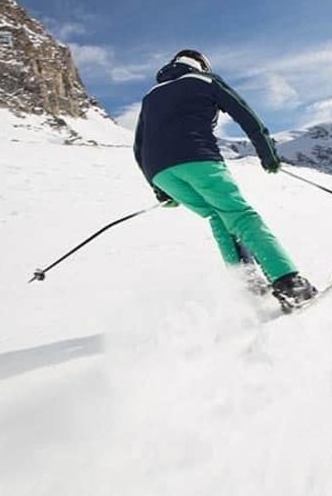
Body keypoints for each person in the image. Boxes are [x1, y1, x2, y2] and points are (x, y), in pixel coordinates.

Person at [133, 49, 316, 309]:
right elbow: (245, 114)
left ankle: (249, 285)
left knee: (217, 216)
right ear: (201, 66)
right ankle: (289, 283)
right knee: (240, 216)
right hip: (198, 158)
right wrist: (268, 154)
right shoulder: (205, 81)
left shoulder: (150, 96)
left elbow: (138, 147)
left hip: (159, 171)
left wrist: (160, 189)